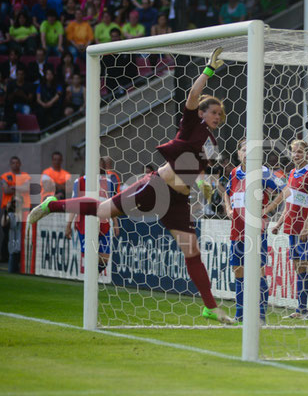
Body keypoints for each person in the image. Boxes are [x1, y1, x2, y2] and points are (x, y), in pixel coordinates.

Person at [28, 47, 235, 324]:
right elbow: (192, 96)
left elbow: (205, 171)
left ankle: (210, 306)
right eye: (214, 112)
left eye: (221, 115)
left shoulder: (212, 143)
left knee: (192, 251)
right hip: (157, 188)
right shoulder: (190, 125)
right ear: (201, 113)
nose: (218, 117)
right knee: (102, 211)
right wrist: (208, 70)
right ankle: (51, 204)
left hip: (178, 201)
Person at [224, 138, 284, 323]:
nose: (246, 153)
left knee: (258, 272)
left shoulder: (263, 172)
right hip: (237, 229)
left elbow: (284, 190)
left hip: (256, 230)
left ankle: (260, 316)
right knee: (239, 271)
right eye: (243, 149)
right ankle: (240, 315)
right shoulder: (234, 172)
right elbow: (227, 192)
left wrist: (266, 210)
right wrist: (228, 209)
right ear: (238, 153)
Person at [271, 139, 308, 320]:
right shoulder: (291, 173)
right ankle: (301, 309)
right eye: (294, 152)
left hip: (306, 228)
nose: (297, 155)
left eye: (300, 152)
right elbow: (288, 203)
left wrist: (307, 226)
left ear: (307, 154)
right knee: (299, 268)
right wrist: (279, 223)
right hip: (292, 227)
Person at [65, 167, 119, 274]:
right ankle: (91, 285)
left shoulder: (108, 183)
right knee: (90, 258)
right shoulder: (79, 182)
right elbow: (73, 205)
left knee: (104, 260)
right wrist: (68, 224)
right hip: (84, 225)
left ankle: (93, 279)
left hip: (104, 225)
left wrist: (116, 223)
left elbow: (112, 204)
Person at [1, 156, 30, 263]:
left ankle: (18, 257)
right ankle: (5, 257)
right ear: (10, 164)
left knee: (20, 233)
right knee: (7, 232)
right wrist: (19, 187)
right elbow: (6, 190)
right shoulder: (6, 176)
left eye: (17, 163)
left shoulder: (25, 175)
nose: (15, 165)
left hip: (22, 208)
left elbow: (26, 188)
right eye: (13, 163)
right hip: (9, 209)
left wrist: (13, 187)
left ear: (20, 163)